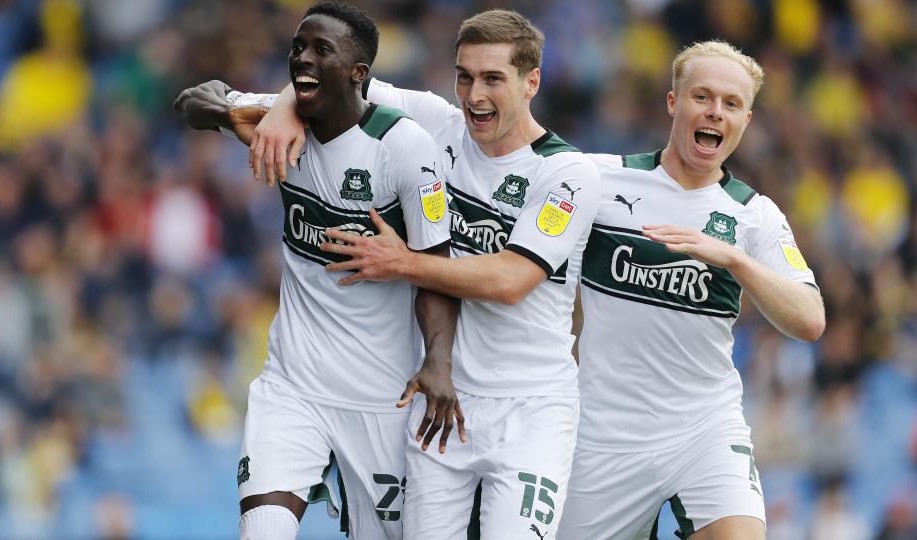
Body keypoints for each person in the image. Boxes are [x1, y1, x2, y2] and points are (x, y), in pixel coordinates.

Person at [243, 9, 602, 540]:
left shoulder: (565, 173)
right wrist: (283, 109)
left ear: (533, 82)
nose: (474, 95)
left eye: (492, 79)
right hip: (439, 398)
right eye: (465, 76)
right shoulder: (436, 123)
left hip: (530, 408)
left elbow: (511, 280)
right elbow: (332, 76)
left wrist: (403, 262)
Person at [175, 3, 461, 539]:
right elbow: (194, 100)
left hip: (381, 396)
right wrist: (252, 111)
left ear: (359, 73)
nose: (302, 59)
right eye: (297, 48)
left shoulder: (406, 149)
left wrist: (439, 363)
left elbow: (436, 270)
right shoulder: (280, 123)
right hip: (293, 384)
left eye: (320, 50)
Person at [559, 41, 826, 540]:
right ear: (672, 103)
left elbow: (810, 319)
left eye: (731, 104)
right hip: (603, 433)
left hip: (705, 427)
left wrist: (734, 259)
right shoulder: (597, 178)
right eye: (702, 97)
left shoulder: (755, 215)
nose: (715, 112)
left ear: (746, 120)